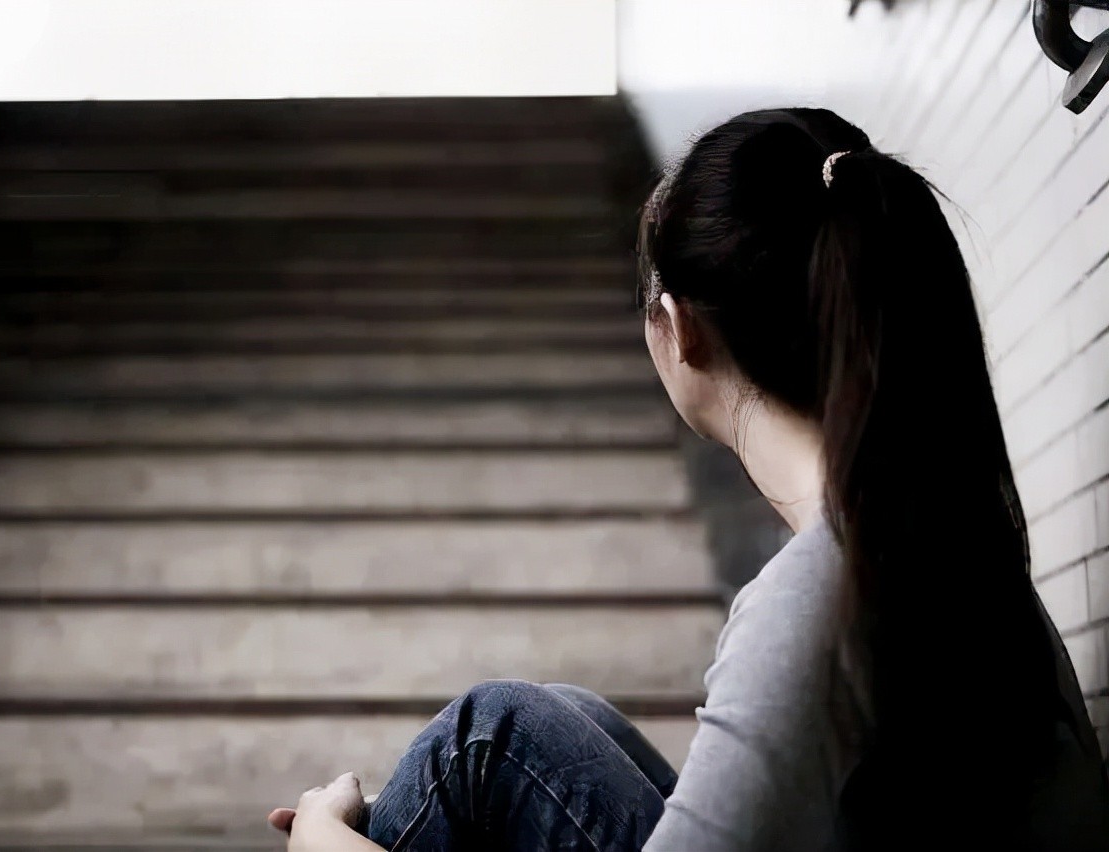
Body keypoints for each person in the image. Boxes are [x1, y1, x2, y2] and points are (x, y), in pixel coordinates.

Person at [267, 107, 1109, 851]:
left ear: (677, 328)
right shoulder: (948, 550)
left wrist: (324, 842)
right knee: (566, 722)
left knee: (492, 739)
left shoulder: (819, 597)